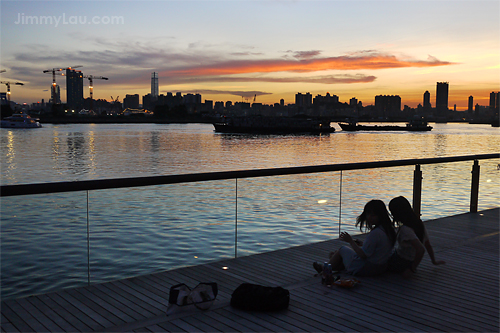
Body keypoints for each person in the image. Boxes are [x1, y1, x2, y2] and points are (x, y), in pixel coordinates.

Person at [314, 199, 397, 277]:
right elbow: (377, 249)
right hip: (381, 267)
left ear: (380, 215)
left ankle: (324, 271)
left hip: (367, 268)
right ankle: (328, 266)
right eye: (368, 214)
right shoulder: (388, 229)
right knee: (335, 254)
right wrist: (362, 244)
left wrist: (351, 241)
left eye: (373, 215)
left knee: (342, 250)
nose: (369, 217)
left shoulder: (376, 233)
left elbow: (363, 255)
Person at [387, 196, 445, 278]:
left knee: (379, 258)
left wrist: (412, 269)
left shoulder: (405, 230)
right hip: (410, 261)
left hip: (402, 261)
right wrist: (433, 261)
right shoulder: (418, 223)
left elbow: (421, 249)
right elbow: (427, 244)